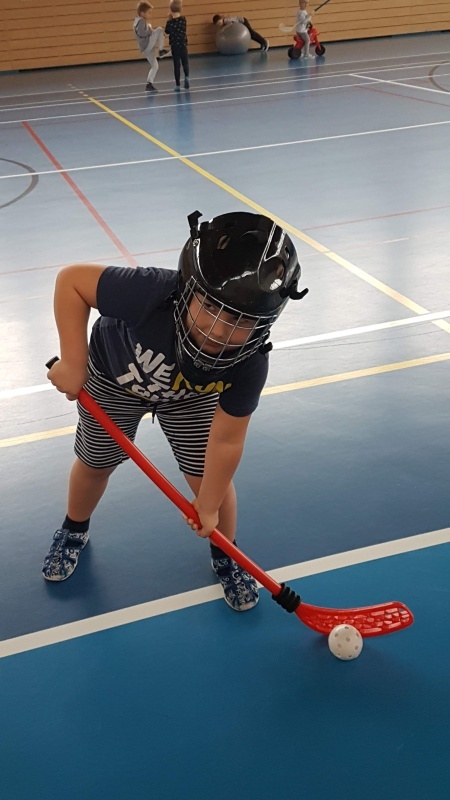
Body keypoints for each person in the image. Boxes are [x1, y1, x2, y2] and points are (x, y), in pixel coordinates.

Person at [42, 211, 307, 612]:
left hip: (190, 398)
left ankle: (227, 553)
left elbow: (227, 440)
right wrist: (74, 362)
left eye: (240, 320)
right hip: (114, 380)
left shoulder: (250, 362)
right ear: (187, 288)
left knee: (211, 481)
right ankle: (74, 528)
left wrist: (209, 505)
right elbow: (72, 282)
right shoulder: (150, 291)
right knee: (95, 464)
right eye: (210, 307)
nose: (219, 330)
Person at [133, 1, 171, 92]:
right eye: (149, 13)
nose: (150, 15)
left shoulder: (137, 21)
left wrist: (150, 29)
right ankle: (161, 50)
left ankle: (149, 84)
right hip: (147, 45)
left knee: (155, 66)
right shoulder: (141, 21)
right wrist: (150, 29)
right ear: (142, 13)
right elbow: (142, 33)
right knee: (159, 30)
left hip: (145, 48)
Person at [165, 0, 190, 91]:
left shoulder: (170, 23)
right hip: (183, 44)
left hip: (175, 46)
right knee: (185, 62)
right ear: (181, 9)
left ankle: (178, 84)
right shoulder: (183, 20)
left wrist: (169, 18)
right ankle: (186, 77)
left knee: (177, 65)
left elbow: (167, 32)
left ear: (170, 10)